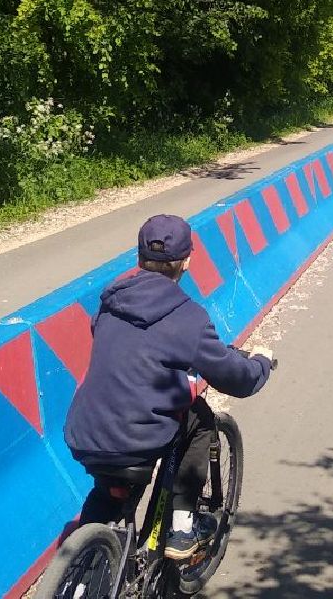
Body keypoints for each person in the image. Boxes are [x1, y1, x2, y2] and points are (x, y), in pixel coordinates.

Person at [64, 213, 273, 559]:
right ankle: (182, 525)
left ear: (139, 257)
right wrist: (261, 363)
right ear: (187, 261)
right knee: (200, 418)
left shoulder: (109, 303)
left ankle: (78, 566)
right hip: (136, 438)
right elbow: (237, 378)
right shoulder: (187, 317)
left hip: (85, 431)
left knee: (107, 492)